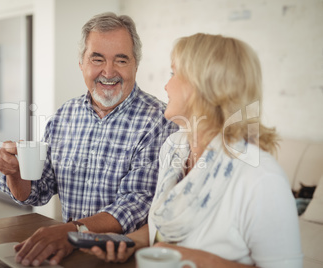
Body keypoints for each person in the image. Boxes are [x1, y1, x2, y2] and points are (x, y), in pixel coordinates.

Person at [83, 33, 303, 267]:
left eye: (174, 74)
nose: (166, 85)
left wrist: (199, 260)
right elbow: (164, 228)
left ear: (202, 85)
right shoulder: (174, 148)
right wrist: (130, 242)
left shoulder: (261, 178)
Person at [0, 12, 177, 266]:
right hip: (69, 251)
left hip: (122, 258)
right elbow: (38, 190)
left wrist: (72, 231)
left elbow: (136, 203)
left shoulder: (159, 120)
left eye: (121, 60)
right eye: (97, 58)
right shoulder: (65, 115)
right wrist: (15, 173)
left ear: (136, 64)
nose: (109, 71)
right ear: (82, 63)